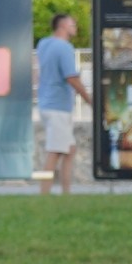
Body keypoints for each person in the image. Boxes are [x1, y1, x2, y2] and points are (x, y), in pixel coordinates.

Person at [35, 11, 83, 192]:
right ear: (62, 26)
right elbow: (71, 77)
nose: (75, 27)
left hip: (46, 104)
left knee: (69, 150)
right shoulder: (64, 48)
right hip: (58, 107)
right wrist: (89, 99)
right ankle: (44, 193)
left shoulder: (43, 44)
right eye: (72, 24)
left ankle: (66, 193)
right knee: (54, 152)